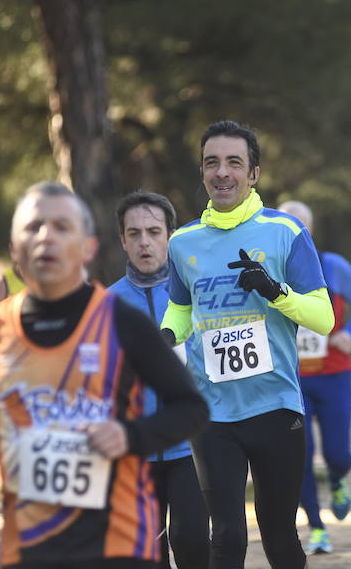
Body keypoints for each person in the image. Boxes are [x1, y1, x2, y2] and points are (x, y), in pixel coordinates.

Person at [0, 182, 209, 569]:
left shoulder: (121, 321)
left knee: (191, 542)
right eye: (33, 227)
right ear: (13, 249)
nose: (46, 237)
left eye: (62, 227)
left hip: (118, 535)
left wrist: (130, 435)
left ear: (88, 247)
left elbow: (191, 407)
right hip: (31, 543)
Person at [160, 120, 334, 569]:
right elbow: (181, 309)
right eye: (211, 163)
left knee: (278, 534)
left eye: (234, 163)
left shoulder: (286, 232)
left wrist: (275, 291)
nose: (222, 173)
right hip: (213, 414)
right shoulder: (182, 243)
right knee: (228, 537)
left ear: (253, 174)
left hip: (275, 407)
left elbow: (324, 318)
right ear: (202, 173)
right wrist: (164, 335)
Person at [107, 191, 209, 569]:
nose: (144, 242)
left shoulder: (198, 295)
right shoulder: (105, 305)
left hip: (191, 449)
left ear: (171, 235)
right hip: (134, 452)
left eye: (153, 231)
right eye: (134, 234)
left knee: (194, 543)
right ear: (122, 240)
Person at [278, 200, 351, 555]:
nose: (294, 230)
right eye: (287, 223)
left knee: (339, 455)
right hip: (293, 379)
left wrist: (350, 332)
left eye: (300, 223)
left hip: (334, 375)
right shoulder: (271, 269)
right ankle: (317, 527)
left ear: (311, 230)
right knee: (300, 456)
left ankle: (337, 479)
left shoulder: (332, 266)